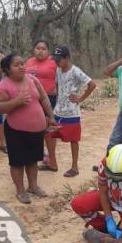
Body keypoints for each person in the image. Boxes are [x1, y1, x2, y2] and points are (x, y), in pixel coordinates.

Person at [0, 54, 56, 204]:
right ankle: (20, 190)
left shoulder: (32, 79)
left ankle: (33, 186)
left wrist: (51, 117)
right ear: (7, 69)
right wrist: (16, 101)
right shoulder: (3, 86)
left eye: (22, 64)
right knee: (17, 162)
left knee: (33, 159)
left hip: (37, 130)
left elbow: (44, 98)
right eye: (16, 65)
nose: (21, 67)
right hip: (16, 130)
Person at [71, 144, 122, 241]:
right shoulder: (105, 163)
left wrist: (121, 227)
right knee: (78, 204)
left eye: (117, 176)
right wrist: (109, 219)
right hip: (110, 198)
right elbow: (103, 192)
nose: (112, 178)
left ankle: (119, 232)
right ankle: (104, 227)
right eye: (110, 174)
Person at [41, 45, 97, 177]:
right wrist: (57, 93)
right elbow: (57, 84)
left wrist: (80, 98)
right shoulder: (59, 70)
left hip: (71, 113)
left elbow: (92, 84)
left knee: (73, 140)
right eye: (55, 59)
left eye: (59, 59)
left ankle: (75, 167)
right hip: (58, 111)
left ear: (67, 58)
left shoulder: (75, 71)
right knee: (49, 134)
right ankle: (52, 163)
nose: (56, 62)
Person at [25, 40, 58, 108]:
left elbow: (61, 78)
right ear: (33, 50)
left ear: (48, 51)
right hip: (31, 96)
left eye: (44, 49)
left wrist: (57, 91)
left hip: (49, 97)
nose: (40, 51)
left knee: (47, 118)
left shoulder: (54, 61)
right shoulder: (29, 61)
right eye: (38, 48)